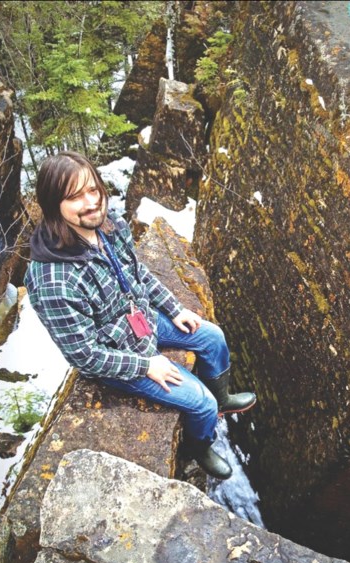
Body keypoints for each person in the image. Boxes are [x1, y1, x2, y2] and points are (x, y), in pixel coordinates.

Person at [24, 152, 256, 479]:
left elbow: (138, 274)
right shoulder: (53, 281)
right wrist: (146, 364)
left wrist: (174, 309)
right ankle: (198, 447)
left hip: (141, 319)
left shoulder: (110, 224)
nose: (91, 202)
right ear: (53, 205)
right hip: (115, 350)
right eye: (75, 197)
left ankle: (223, 398)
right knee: (200, 403)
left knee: (212, 337)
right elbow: (84, 356)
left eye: (93, 190)